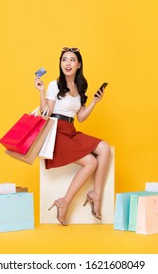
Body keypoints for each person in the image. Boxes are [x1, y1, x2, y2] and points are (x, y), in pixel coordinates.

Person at [34, 47, 111, 226]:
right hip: (56, 132)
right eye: (64, 60)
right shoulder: (55, 85)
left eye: (72, 60)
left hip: (70, 129)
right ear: (60, 64)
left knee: (104, 148)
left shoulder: (80, 86)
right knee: (91, 162)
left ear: (79, 65)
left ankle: (95, 195)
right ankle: (65, 202)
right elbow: (46, 113)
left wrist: (94, 102)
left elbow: (81, 117)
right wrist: (41, 91)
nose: (67, 63)